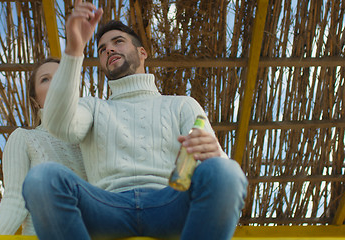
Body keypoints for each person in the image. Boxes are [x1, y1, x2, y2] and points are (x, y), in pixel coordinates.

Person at [22, 1, 248, 239]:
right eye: (101, 49)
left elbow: (218, 171)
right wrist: (75, 49)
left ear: (142, 53)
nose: (108, 49)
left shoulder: (182, 104)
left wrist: (217, 155)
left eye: (118, 41)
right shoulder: (92, 107)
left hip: (171, 203)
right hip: (105, 208)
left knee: (226, 171)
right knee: (41, 178)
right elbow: (58, 124)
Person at [0, 58, 87, 235]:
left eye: (62, 76)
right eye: (45, 79)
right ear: (35, 100)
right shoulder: (24, 137)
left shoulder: (90, 136)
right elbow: (16, 199)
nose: (57, 82)